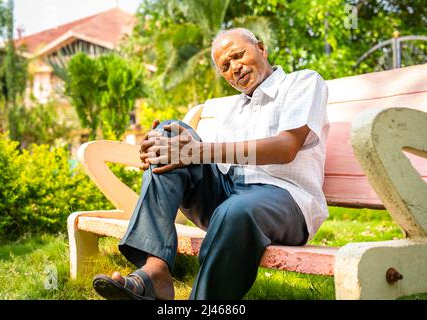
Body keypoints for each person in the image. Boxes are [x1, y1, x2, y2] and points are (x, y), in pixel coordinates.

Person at [92, 27, 330, 300]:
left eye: (238, 55)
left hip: (285, 200)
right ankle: (155, 271)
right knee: (170, 132)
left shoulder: (302, 83)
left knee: (236, 210)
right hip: (230, 193)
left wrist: (195, 152)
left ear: (261, 49)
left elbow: (286, 147)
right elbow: (196, 156)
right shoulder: (231, 110)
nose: (235, 68)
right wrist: (159, 149)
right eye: (225, 67)